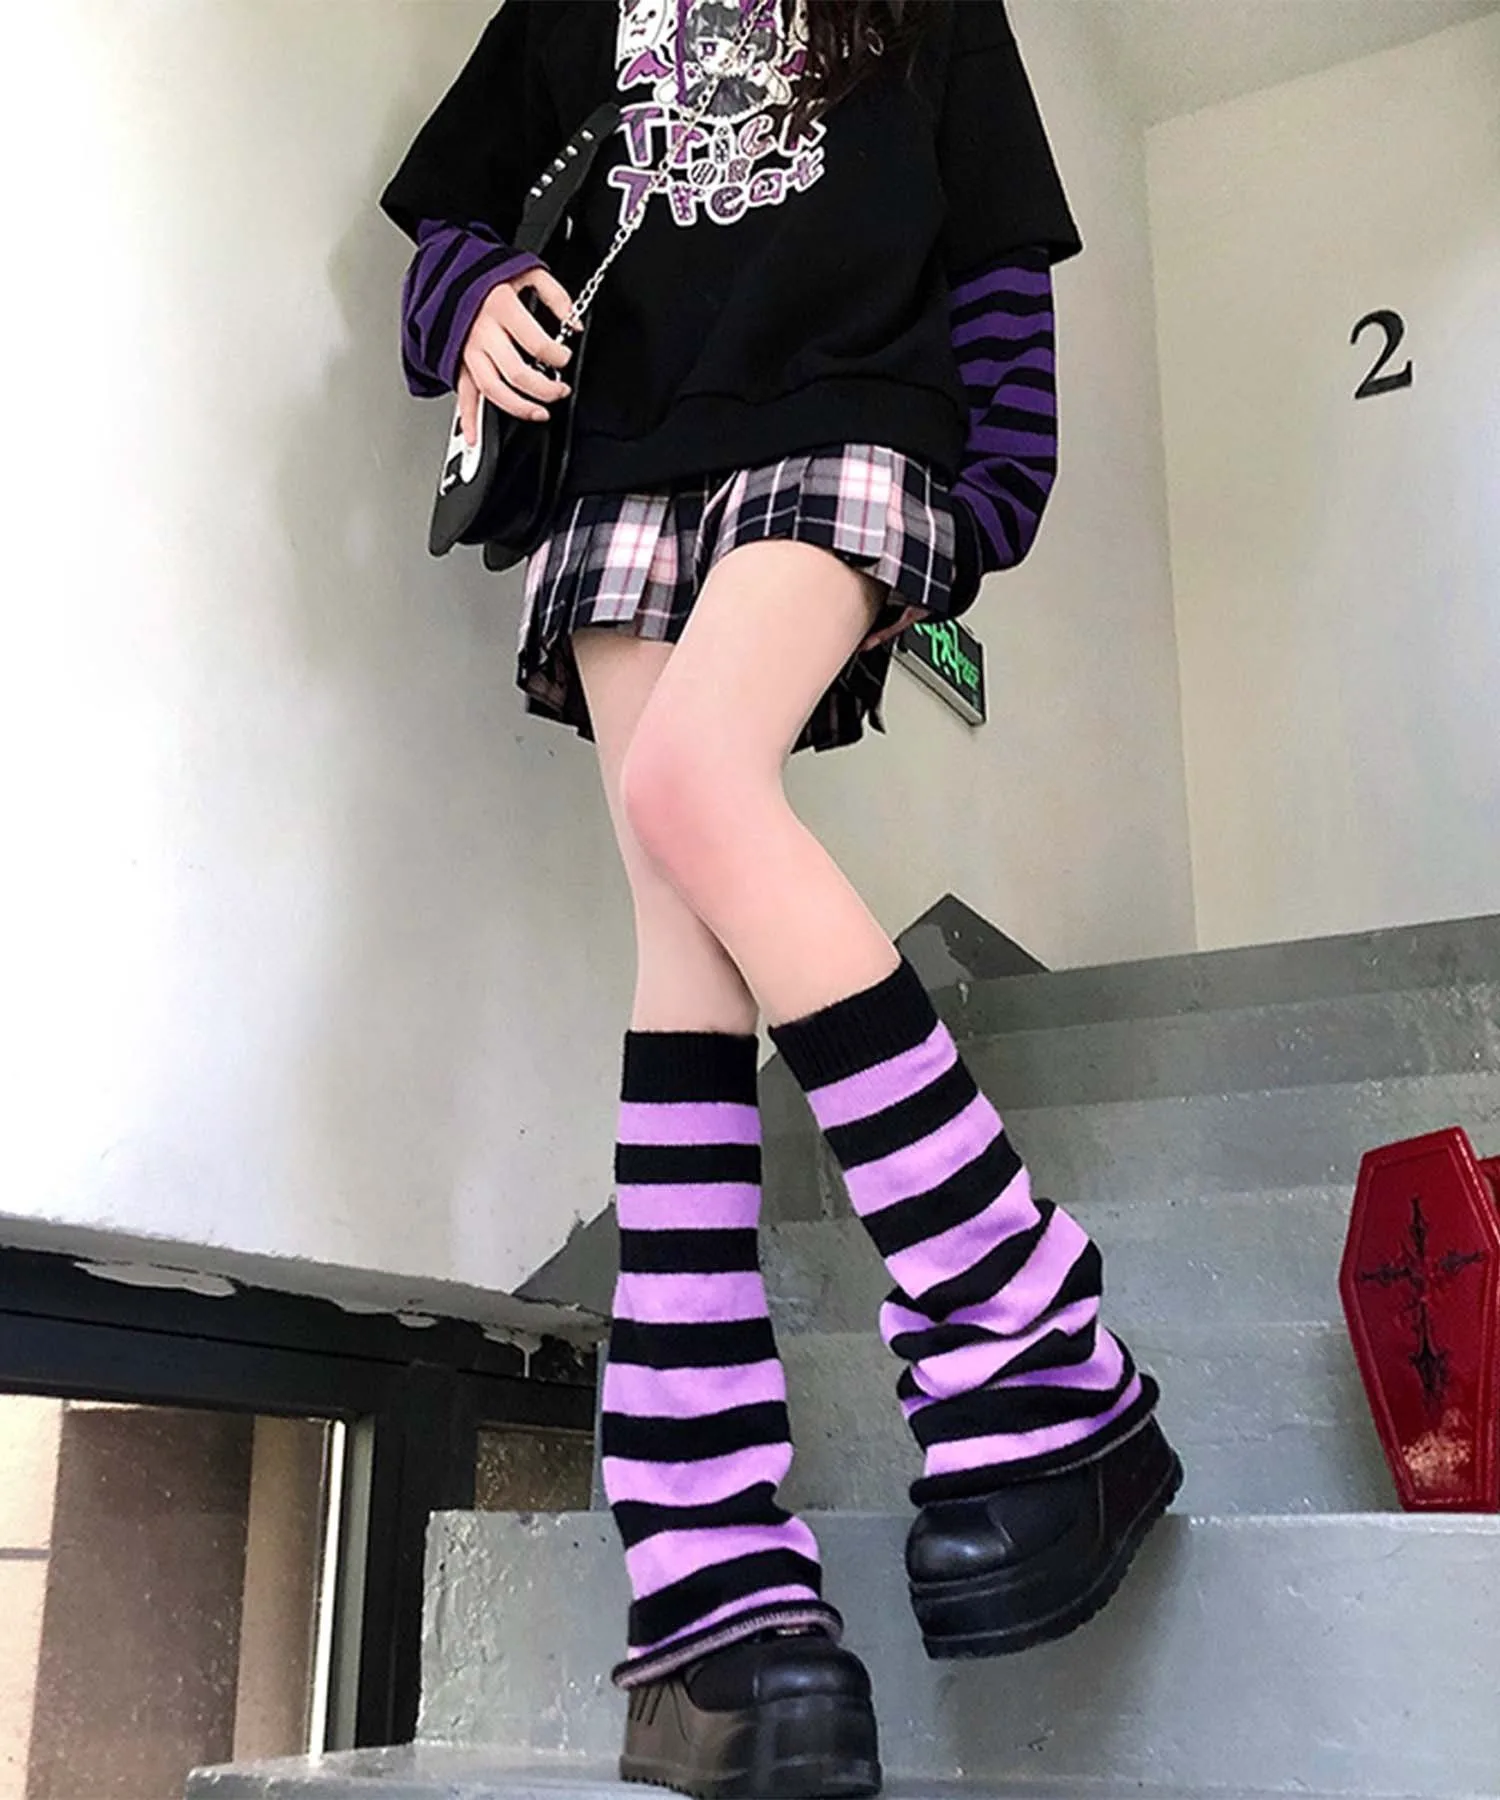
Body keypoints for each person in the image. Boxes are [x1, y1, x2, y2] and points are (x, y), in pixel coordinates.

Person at [382, 3, 1182, 1795]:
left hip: (848, 421)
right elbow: (452, 216)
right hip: (614, 460)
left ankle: (1033, 1351)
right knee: (679, 934)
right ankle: (715, 1580)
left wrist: (988, 501)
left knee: (693, 787)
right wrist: (473, 302)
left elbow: (998, 253)